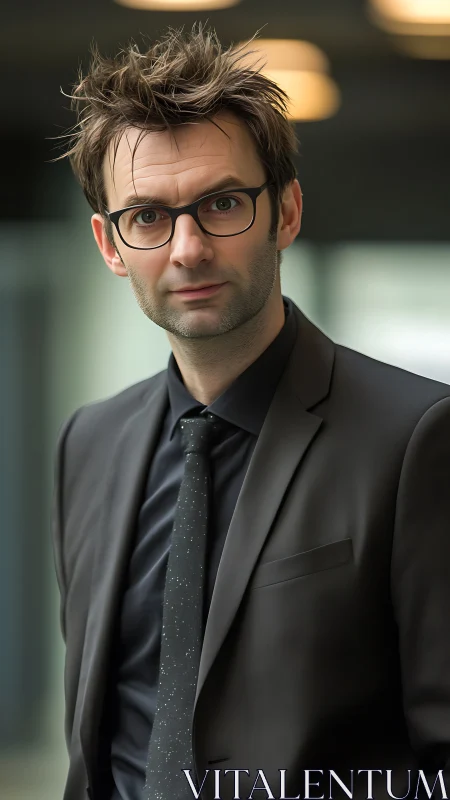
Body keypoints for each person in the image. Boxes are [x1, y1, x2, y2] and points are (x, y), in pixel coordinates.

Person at [52, 24, 450, 800]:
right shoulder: (87, 443)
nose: (188, 248)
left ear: (288, 212)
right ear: (109, 243)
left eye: (223, 203)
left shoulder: (417, 440)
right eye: (147, 217)